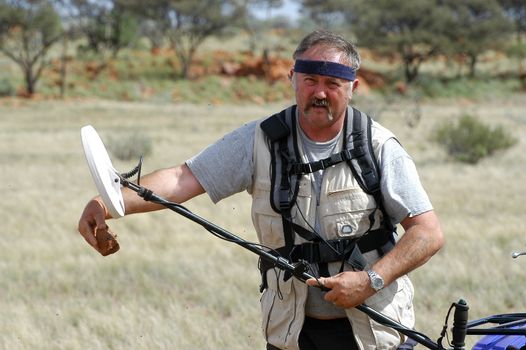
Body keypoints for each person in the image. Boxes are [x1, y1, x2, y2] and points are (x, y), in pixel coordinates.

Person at [78, 30, 444, 350]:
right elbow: (182, 179)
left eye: (332, 84)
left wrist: (370, 280)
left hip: (371, 333)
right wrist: (107, 203)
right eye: (310, 80)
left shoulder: (377, 146)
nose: (319, 93)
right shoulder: (259, 141)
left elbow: (428, 233)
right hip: (291, 332)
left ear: (352, 88)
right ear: (292, 79)